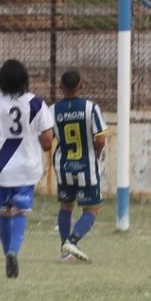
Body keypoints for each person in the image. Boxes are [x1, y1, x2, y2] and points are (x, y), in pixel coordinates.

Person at [0, 59, 54, 278]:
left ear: (1, 81)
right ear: (25, 80)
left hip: (3, 167)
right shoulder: (37, 103)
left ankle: (7, 256)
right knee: (20, 211)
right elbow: (48, 137)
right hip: (29, 166)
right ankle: (14, 251)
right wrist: (45, 145)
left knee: (5, 212)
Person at [50, 71, 108, 262]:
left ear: (60, 87)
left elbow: (46, 138)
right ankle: (72, 241)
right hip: (86, 166)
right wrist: (97, 153)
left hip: (63, 166)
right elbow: (100, 138)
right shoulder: (90, 108)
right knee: (92, 209)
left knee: (66, 206)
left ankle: (65, 251)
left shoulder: (53, 110)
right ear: (81, 85)